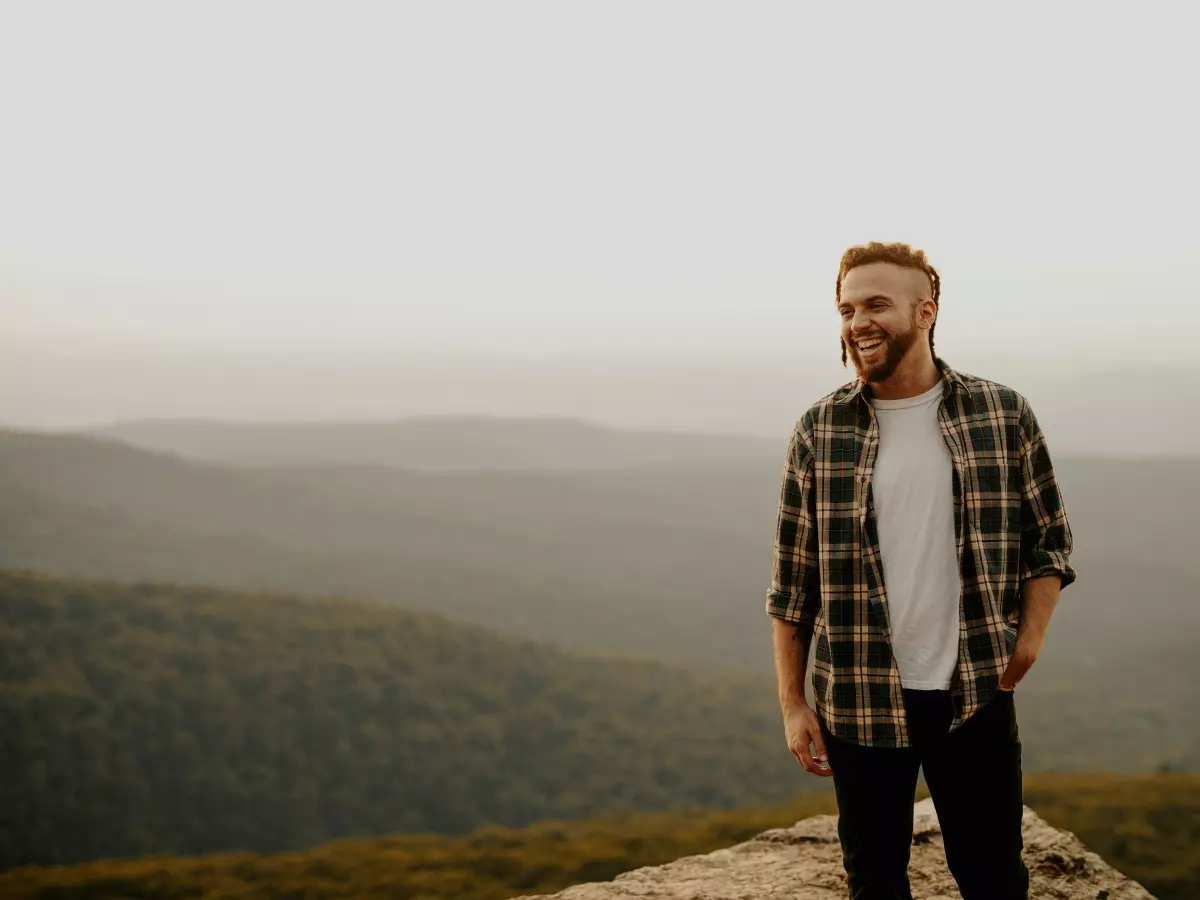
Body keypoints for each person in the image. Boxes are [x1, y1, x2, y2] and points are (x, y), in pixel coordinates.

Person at [765, 242, 1076, 900]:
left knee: (993, 876)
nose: (857, 323)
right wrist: (794, 705)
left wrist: (1030, 640)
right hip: (857, 700)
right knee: (875, 881)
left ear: (926, 312)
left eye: (877, 305)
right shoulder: (819, 430)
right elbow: (793, 586)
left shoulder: (1002, 414)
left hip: (976, 697)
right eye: (847, 309)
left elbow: (1046, 539)